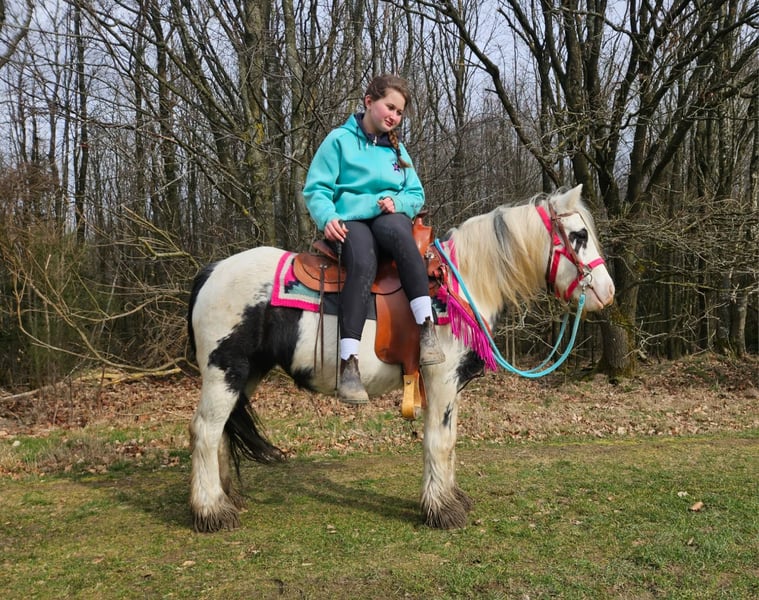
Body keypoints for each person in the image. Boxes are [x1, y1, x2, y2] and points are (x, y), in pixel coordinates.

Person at [303, 74, 445, 404]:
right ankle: (349, 364)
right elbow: (316, 188)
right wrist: (328, 218)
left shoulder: (397, 150)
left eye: (399, 112)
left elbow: (416, 193)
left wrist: (399, 202)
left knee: (402, 236)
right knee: (363, 260)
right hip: (351, 219)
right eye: (389, 107)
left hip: (387, 217)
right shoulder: (339, 140)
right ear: (369, 102)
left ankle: (426, 329)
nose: (394, 115)